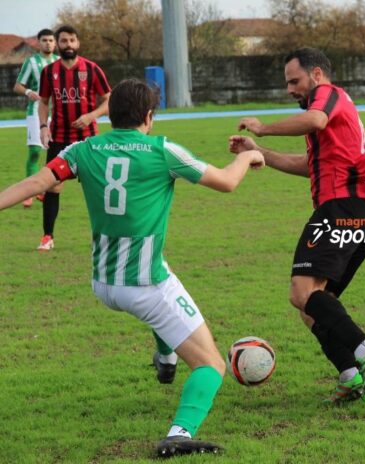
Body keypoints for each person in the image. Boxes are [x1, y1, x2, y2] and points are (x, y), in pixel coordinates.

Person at [0, 78, 265, 457]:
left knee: (168, 283)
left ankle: (166, 358)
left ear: (110, 115)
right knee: (210, 364)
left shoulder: (83, 149)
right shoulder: (163, 150)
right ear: (149, 117)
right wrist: (247, 158)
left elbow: (37, 182)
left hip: (103, 282)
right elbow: (226, 182)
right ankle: (180, 434)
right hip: (144, 285)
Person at [230, 47, 365, 404]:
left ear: (316, 74)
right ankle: (350, 375)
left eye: (294, 81)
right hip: (358, 215)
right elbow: (310, 165)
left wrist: (264, 128)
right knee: (314, 305)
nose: (289, 89)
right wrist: (258, 152)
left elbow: (315, 119)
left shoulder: (328, 95)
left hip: (340, 210)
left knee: (301, 293)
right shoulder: (335, 117)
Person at [36, 24, 111, 251]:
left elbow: (109, 99)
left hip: (88, 139)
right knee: (52, 187)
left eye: (72, 40)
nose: (68, 44)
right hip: (58, 139)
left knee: (98, 187)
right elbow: (43, 102)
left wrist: (91, 116)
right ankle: (47, 237)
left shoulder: (92, 69)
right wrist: (43, 126)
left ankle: (105, 236)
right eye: (64, 41)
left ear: (77, 43)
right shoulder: (49, 72)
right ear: (58, 44)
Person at [13, 28, 58, 208]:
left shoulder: (60, 62)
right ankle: (29, 193)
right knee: (34, 152)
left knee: (54, 154)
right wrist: (29, 92)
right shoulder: (31, 62)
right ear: (39, 43)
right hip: (35, 112)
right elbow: (18, 86)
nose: (48, 43)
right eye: (44, 40)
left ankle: (45, 190)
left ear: (55, 43)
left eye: (51, 40)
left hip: (57, 114)